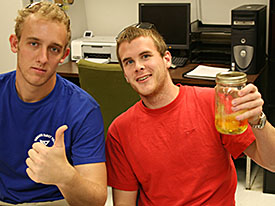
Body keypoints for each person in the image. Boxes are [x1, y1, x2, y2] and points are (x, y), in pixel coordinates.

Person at [105, 23, 275, 206]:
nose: (138, 66)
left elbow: (271, 162)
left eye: (145, 56)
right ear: (125, 75)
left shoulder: (213, 103)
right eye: (129, 62)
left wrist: (258, 120)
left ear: (167, 59)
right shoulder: (120, 131)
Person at [0, 2, 106, 205]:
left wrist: (66, 177)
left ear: (64, 55)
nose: (42, 58)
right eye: (33, 43)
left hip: (56, 200)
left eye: (54, 49)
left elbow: (96, 200)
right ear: (15, 43)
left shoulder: (83, 110)